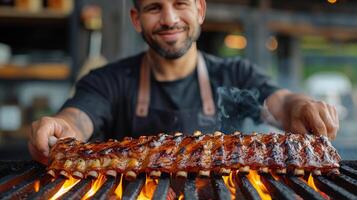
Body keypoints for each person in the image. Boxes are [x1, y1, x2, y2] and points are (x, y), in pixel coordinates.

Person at [28, 0, 339, 164]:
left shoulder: (236, 75)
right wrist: (61, 128)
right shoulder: (108, 81)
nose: (169, 19)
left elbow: (281, 104)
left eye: (180, 3)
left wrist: (301, 106)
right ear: (136, 19)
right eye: (154, 7)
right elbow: (77, 119)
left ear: (199, 10)